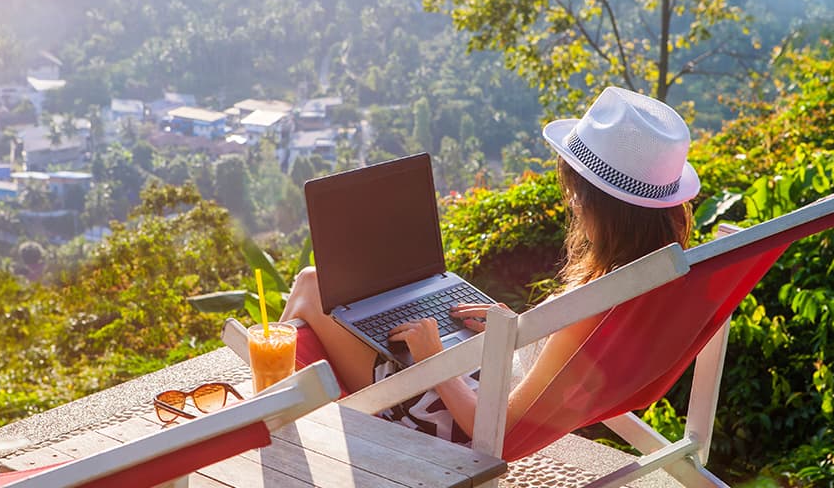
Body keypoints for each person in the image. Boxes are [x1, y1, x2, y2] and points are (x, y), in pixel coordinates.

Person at [280, 86, 700, 443]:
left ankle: (270, 406)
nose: (572, 203)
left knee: (311, 285)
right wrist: (519, 330)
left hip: (447, 420)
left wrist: (433, 360)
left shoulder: (592, 309)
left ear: (602, 207)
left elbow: (495, 433)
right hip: (485, 379)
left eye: (577, 194)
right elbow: (568, 368)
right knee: (333, 295)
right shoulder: (658, 281)